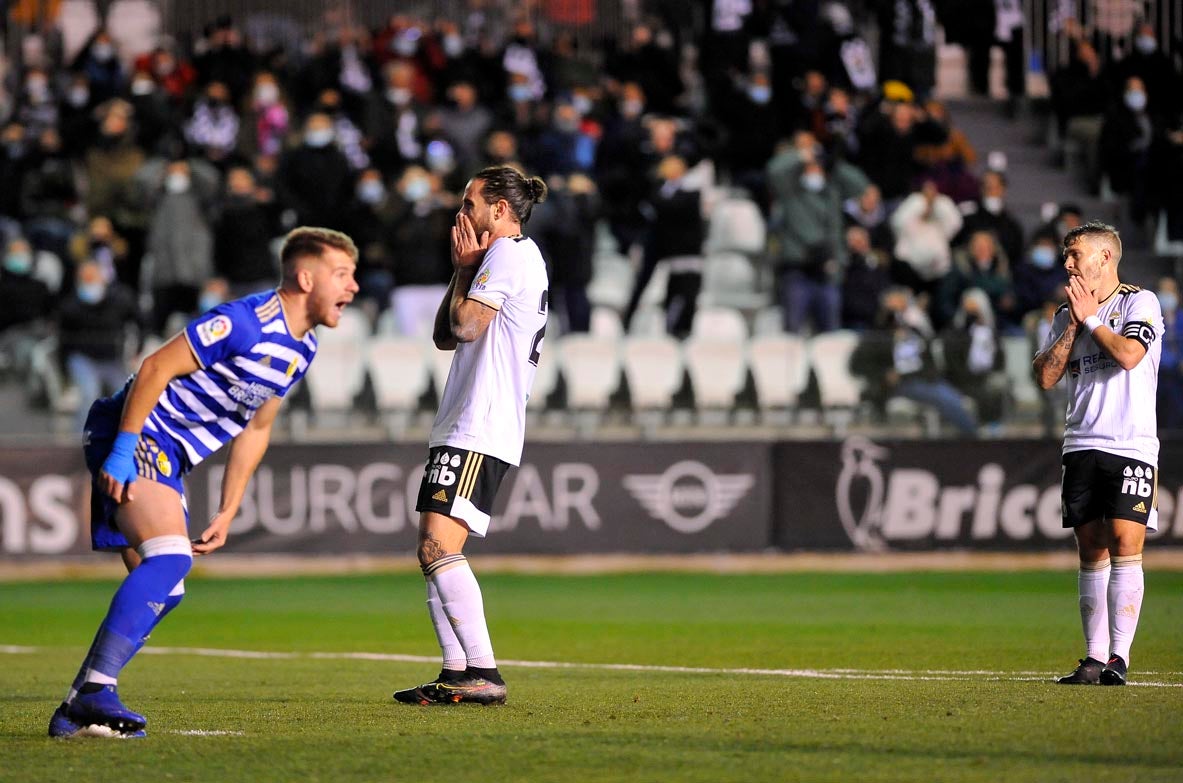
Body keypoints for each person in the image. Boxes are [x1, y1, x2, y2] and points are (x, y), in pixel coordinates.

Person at [48, 227, 359, 738]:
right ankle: (95, 691)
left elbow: (258, 425)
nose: (354, 287)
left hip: (170, 453)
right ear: (306, 277)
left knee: (167, 586)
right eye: (342, 275)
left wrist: (229, 507)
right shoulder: (243, 321)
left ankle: (75, 706)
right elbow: (154, 368)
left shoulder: (303, 349)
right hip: (135, 427)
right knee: (170, 558)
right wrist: (124, 449)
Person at [393, 165, 549, 707]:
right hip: (465, 420)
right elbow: (444, 336)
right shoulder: (496, 260)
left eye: (469, 205)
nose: (461, 215)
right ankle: (456, 672)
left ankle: (484, 671)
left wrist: (466, 270)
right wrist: (462, 270)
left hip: (480, 424)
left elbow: (465, 327)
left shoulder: (509, 256)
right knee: (433, 547)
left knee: (438, 546)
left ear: (500, 210)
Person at [1032, 221, 1161, 687]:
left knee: (1127, 542)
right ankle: (1092, 658)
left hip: (1130, 444)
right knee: (1091, 548)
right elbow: (1046, 377)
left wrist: (1091, 320)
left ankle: (1118, 659)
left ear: (1104, 258)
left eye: (1074, 253)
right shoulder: (1065, 313)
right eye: (1066, 254)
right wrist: (1071, 324)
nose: (1067, 262)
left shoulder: (1138, 302)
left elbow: (1128, 354)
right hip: (1081, 441)